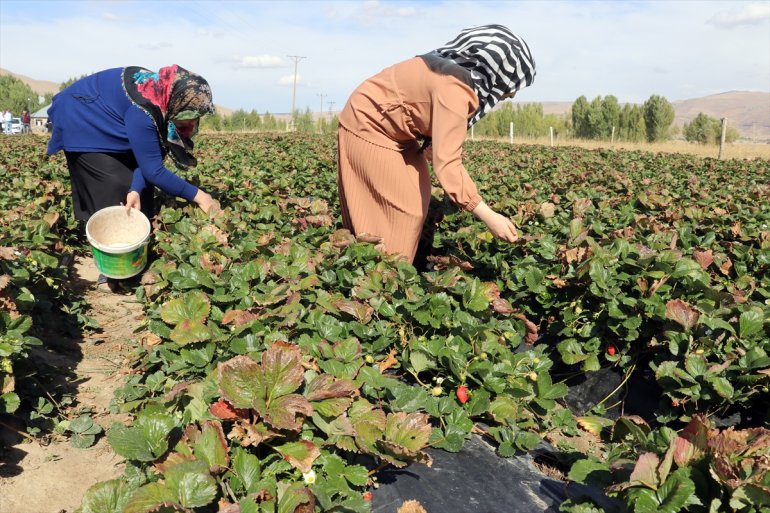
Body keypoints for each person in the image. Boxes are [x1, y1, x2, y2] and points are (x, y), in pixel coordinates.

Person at [337, 24, 536, 263]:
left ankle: (386, 262)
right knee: (405, 209)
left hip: (397, 131)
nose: (511, 94)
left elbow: (432, 127)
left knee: (418, 195)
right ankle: (383, 275)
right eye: (512, 84)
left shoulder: (452, 72)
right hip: (369, 124)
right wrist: (488, 215)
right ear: (496, 72)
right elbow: (448, 164)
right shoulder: (454, 88)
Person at [47, 65, 218, 289]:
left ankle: (136, 258)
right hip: (83, 119)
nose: (192, 124)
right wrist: (201, 197)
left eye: (196, 119)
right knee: (113, 187)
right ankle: (111, 272)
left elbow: (148, 162)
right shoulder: (144, 109)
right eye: (187, 118)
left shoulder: (164, 100)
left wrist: (136, 189)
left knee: (138, 196)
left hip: (113, 120)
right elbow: (154, 171)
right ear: (175, 104)